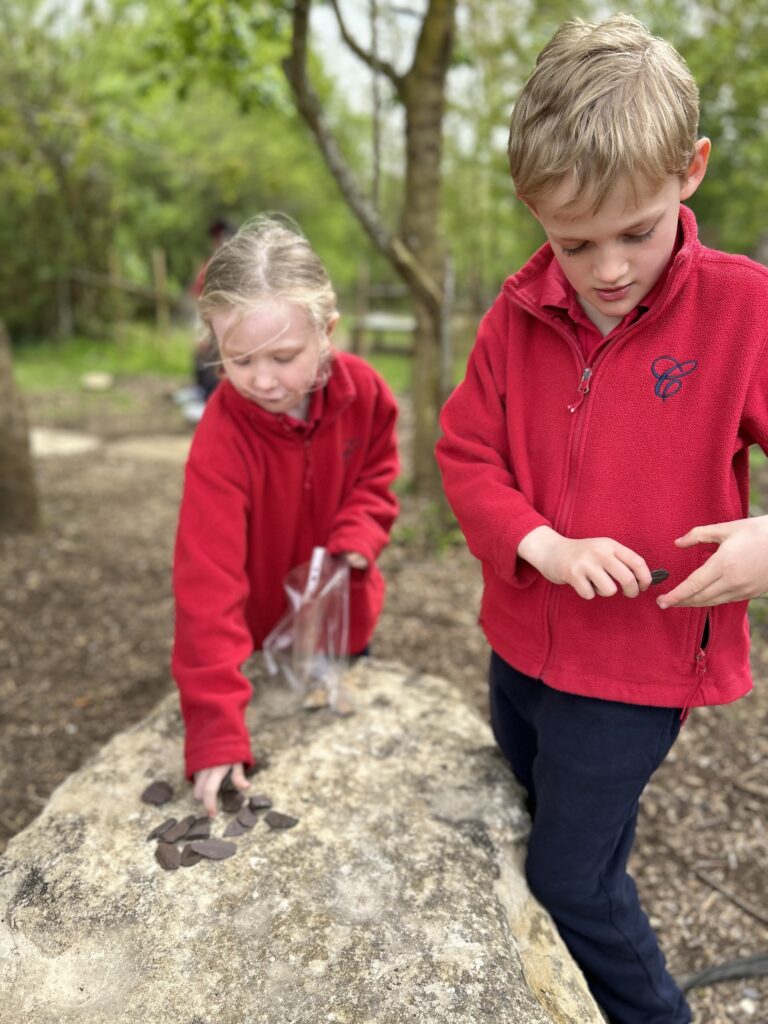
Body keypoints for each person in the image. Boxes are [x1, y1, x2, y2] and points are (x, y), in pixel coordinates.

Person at [435, 14, 768, 1024]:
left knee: (573, 877)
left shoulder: (744, 309)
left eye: (637, 231)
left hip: (634, 670)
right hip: (520, 653)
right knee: (559, 834)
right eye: (573, 241)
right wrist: (541, 543)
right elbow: (467, 453)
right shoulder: (515, 311)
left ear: (690, 171)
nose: (607, 268)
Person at [172, 214, 400, 817]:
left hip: (343, 625)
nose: (265, 380)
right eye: (239, 361)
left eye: (285, 355)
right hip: (258, 637)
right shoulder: (221, 440)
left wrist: (359, 532)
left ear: (327, 332)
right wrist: (217, 728)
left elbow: (378, 476)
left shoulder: (367, 393)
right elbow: (207, 583)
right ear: (213, 346)